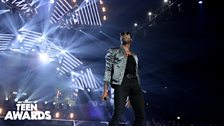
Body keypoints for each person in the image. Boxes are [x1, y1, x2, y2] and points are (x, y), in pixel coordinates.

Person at [102, 31, 145, 126]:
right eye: (123, 35)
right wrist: (105, 89)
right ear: (120, 39)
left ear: (131, 39)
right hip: (121, 83)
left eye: (127, 35)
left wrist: (131, 95)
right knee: (118, 113)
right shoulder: (113, 51)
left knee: (141, 115)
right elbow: (108, 70)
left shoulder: (135, 55)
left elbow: (136, 72)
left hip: (135, 84)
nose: (125, 35)